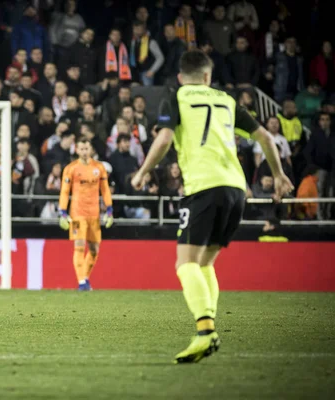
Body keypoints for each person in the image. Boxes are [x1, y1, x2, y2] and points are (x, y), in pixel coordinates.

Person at [131, 50, 293, 363]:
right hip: (236, 188)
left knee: (185, 264)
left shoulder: (176, 97)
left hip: (203, 187)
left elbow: (164, 138)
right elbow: (264, 137)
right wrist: (279, 174)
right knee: (205, 264)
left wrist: (143, 171)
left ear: (181, 77)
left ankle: (205, 332)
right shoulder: (228, 100)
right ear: (208, 76)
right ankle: (208, 328)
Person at [58, 137, 113, 291]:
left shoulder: (99, 168)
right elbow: (64, 191)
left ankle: (85, 278)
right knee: (79, 246)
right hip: (77, 213)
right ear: (76, 150)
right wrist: (62, 211)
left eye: (86, 148)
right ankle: (82, 281)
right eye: (81, 149)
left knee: (94, 250)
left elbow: (105, 189)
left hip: (94, 214)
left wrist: (109, 208)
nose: (84, 151)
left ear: (91, 150)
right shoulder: (71, 169)